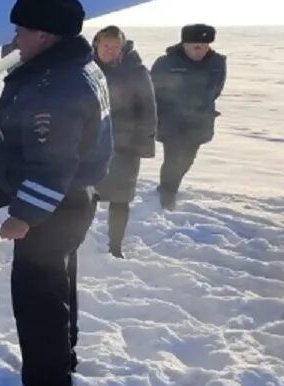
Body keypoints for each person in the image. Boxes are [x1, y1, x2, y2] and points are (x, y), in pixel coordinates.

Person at [0, 0, 112, 386]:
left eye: (21, 30)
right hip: (73, 200)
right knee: (57, 286)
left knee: (37, 297)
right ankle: (62, 360)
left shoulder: (55, 87)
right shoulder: (76, 65)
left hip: (53, 205)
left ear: (44, 34)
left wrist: (24, 215)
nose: (16, 37)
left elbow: (52, 161)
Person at [92, 26, 156, 257]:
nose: (110, 51)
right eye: (106, 46)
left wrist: (144, 145)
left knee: (120, 198)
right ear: (96, 44)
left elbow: (148, 110)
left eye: (115, 47)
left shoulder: (136, 72)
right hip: (91, 143)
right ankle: (78, 240)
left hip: (125, 145)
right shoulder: (85, 68)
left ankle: (115, 247)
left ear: (122, 48)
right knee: (87, 194)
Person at [151, 24, 226, 210]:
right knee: (173, 158)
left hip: (199, 120)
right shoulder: (166, 63)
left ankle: (170, 185)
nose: (201, 50)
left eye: (205, 46)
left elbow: (216, 89)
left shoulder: (217, 62)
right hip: (171, 120)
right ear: (184, 44)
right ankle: (167, 192)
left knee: (188, 158)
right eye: (196, 46)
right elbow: (153, 90)